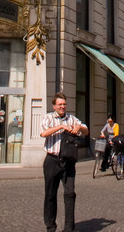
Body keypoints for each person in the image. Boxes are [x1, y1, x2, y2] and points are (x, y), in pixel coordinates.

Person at [40, 92, 88, 232]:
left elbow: (86, 131)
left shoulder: (71, 118)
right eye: (60, 104)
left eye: (64, 104)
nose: (62, 107)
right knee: (50, 194)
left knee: (70, 194)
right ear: (54, 106)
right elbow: (43, 133)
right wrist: (61, 127)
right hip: (52, 160)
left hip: (68, 162)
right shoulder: (48, 118)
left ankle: (69, 228)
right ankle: (51, 226)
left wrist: (80, 128)